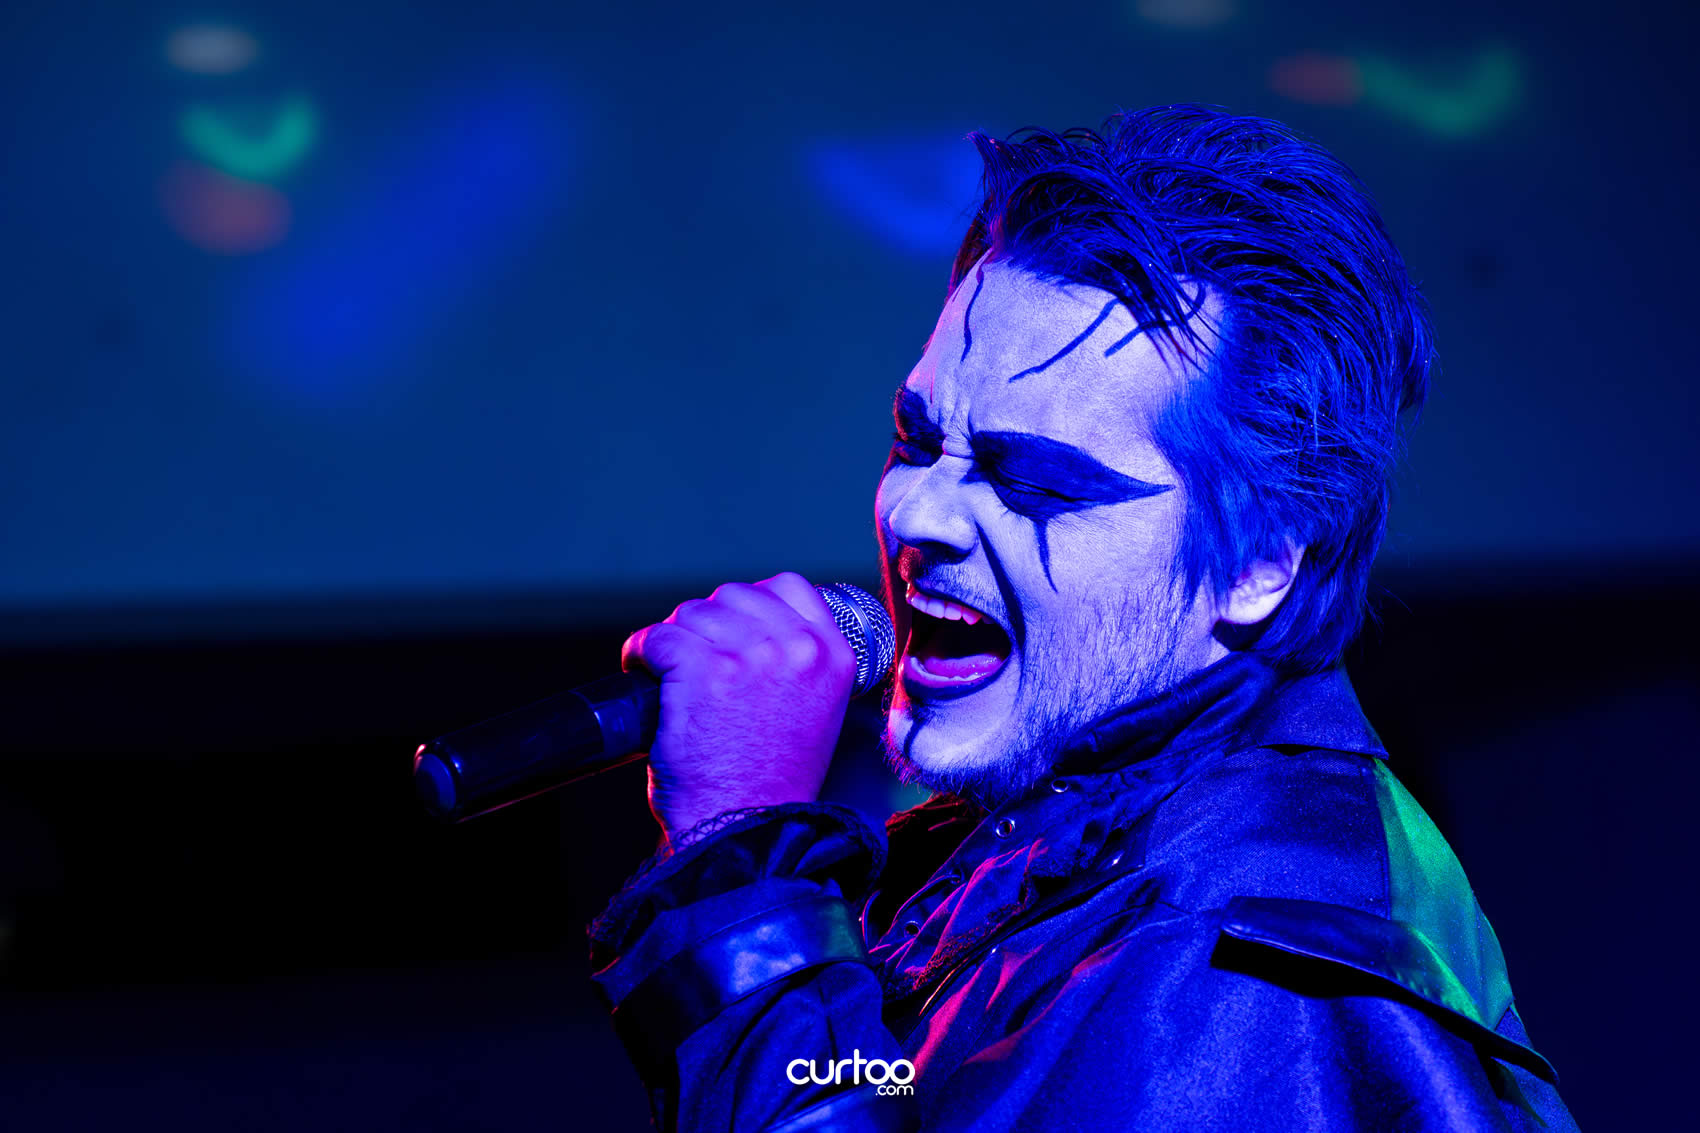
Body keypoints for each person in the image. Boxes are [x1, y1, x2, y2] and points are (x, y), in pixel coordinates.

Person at [588, 105, 1579, 1131]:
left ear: (1256, 564)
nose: (916, 513)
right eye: (916, 440)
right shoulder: (1085, 845)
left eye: (1034, 481)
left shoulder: (1224, 972)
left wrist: (738, 863)